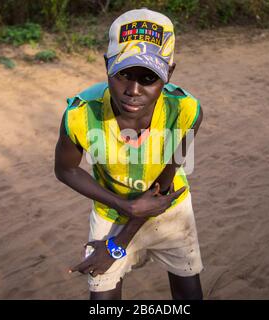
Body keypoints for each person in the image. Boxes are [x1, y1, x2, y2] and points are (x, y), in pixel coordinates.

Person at [54, 8, 204, 300]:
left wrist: (115, 246)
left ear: (169, 73)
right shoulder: (80, 114)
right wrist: (122, 205)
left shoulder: (186, 112)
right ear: (107, 64)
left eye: (149, 77)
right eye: (123, 74)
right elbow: (65, 169)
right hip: (110, 213)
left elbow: (163, 187)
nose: (133, 90)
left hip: (170, 211)